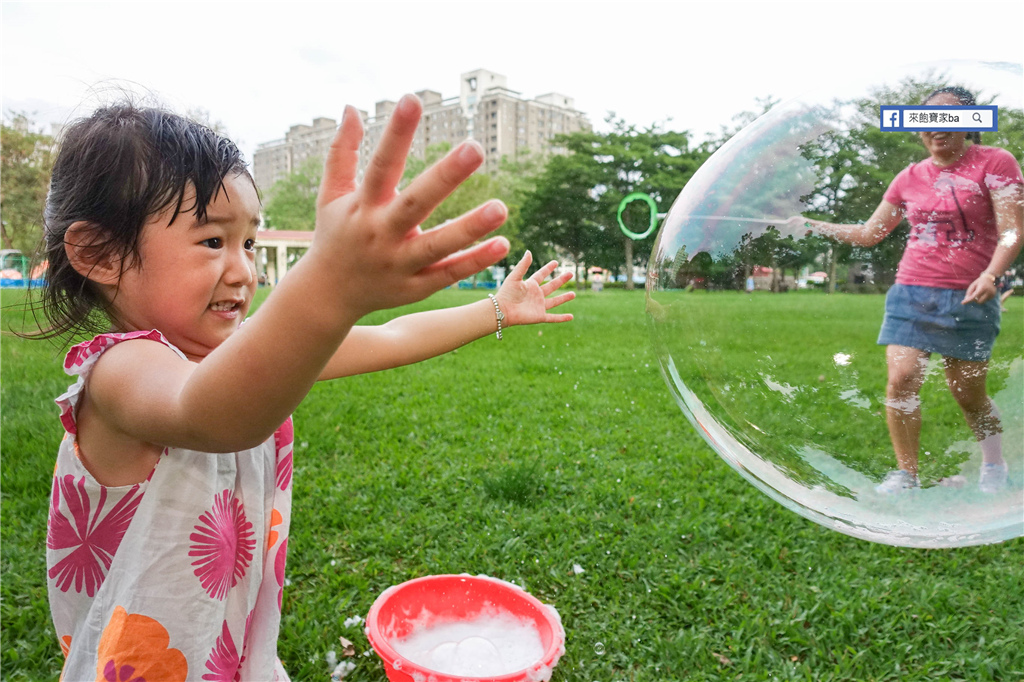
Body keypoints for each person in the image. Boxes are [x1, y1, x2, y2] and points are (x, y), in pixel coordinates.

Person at [33, 98, 575, 681]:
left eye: (249, 244)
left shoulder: (240, 357)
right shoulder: (121, 373)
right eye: (213, 241)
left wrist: (495, 309)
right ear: (99, 254)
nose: (244, 271)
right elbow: (215, 414)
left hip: (227, 659)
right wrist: (330, 283)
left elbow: (390, 337)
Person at [789, 86, 1023, 494]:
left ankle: (993, 465)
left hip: (970, 294)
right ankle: (907, 474)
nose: (937, 128)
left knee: (968, 394)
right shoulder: (909, 178)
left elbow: (1012, 230)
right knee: (902, 379)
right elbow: (868, 234)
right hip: (911, 291)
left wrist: (992, 274)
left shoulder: (996, 163)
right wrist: (811, 224)